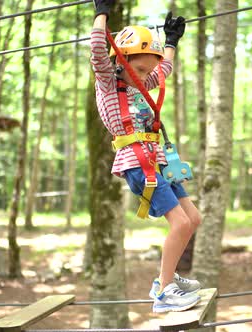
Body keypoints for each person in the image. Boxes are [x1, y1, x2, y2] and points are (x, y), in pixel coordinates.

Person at [91, 0, 203, 313]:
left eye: (146, 72)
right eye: (139, 69)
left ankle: (164, 280)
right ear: (122, 60)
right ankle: (164, 293)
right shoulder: (109, 83)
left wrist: (170, 43)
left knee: (193, 219)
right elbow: (98, 51)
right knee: (179, 223)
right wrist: (102, 12)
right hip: (136, 163)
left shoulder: (140, 81)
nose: (145, 76)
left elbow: (163, 69)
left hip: (157, 161)